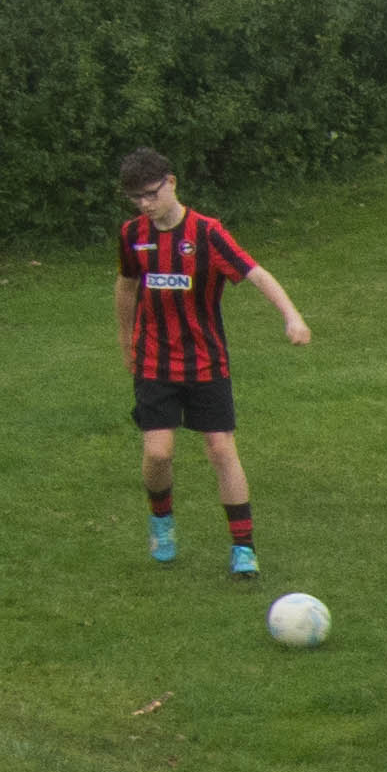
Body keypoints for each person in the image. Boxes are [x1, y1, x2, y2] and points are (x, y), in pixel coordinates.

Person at [113, 148, 312, 575]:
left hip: (206, 361)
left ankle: (243, 548)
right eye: (136, 199)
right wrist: (125, 340)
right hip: (154, 361)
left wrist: (292, 316)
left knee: (221, 449)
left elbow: (256, 273)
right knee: (159, 452)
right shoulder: (133, 234)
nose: (145, 205)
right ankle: (161, 521)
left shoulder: (207, 233)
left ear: (171, 182)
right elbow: (126, 287)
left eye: (150, 194)